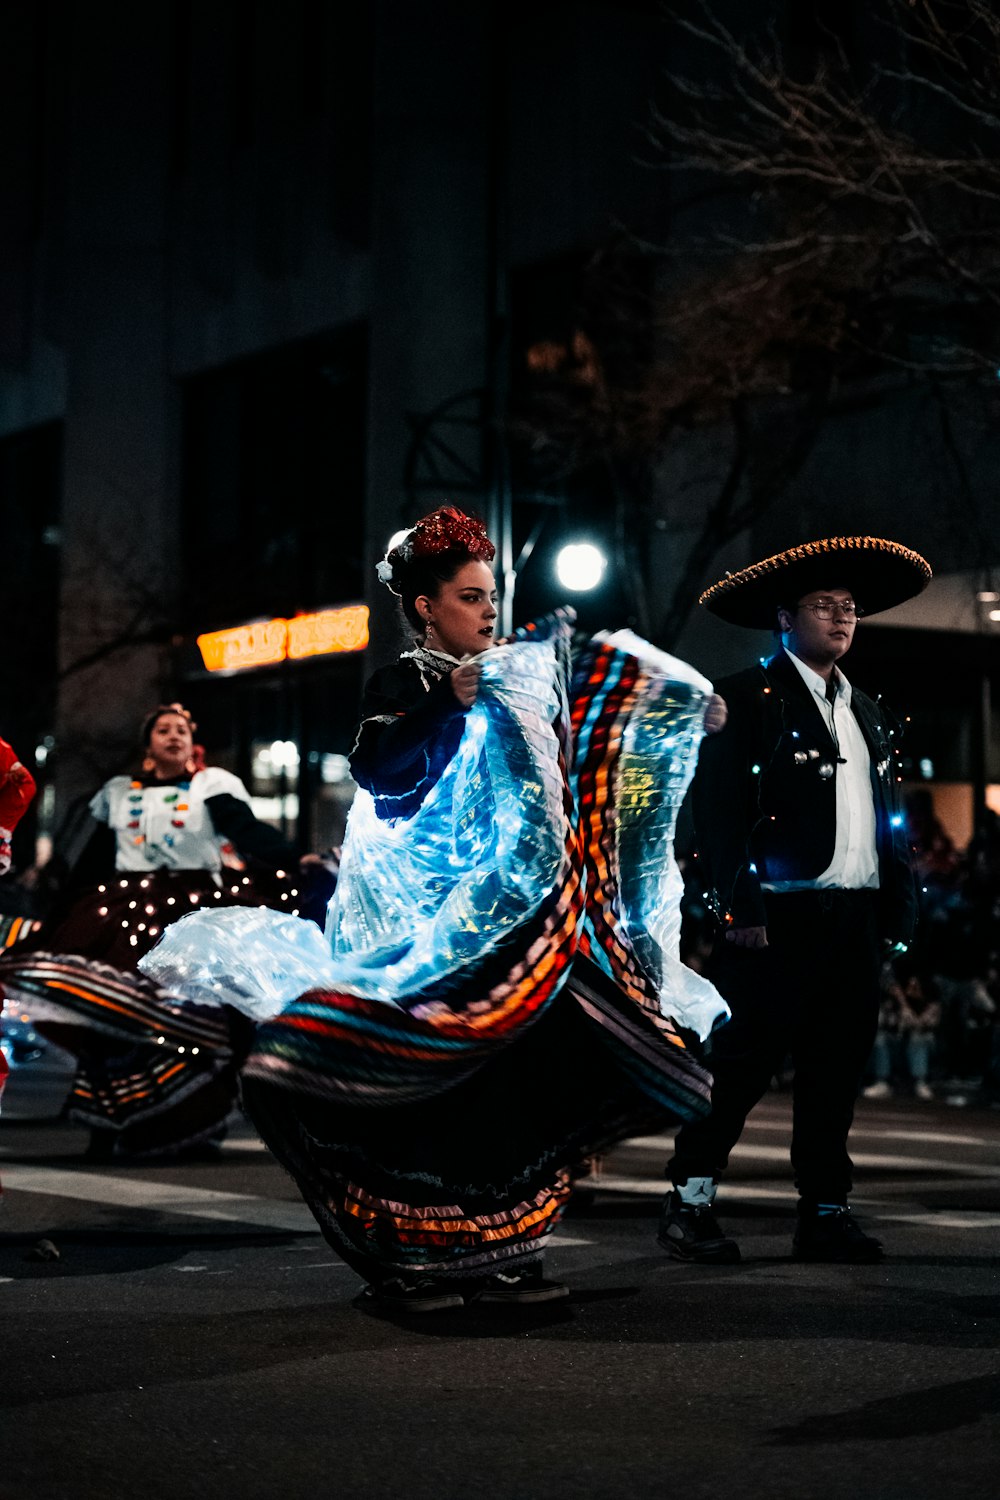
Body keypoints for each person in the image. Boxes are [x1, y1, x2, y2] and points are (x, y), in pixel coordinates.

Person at [144, 505, 729, 1313]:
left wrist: (664, 727)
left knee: (509, 1087)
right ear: (426, 606)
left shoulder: (520, 688)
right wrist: (445, 701)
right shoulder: (407, 683)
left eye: (492, 596)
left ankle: (499, 1252)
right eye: (470, 596)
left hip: (506, 918)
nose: (490, 610)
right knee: (424, 1093)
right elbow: (380, 772)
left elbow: (568, 785)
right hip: (414, 932)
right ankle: (406, 1263)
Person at [659, 535, 930, 1265]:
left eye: (850, 608)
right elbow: (717, 813)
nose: (842, 618)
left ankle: (825, 1209)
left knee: (834, 1072)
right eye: (825, 606)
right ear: (786, 618)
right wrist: (737, 906)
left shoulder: (867, 710)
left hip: (854, 917)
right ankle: (689, 1199)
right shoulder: (746, 698)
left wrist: (897, 912)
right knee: (740, 1066)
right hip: (775, 918)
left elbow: (888, 817)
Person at [0, 704, 300, 1158]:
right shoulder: (118, 794)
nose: (174, 736)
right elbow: (93, 862)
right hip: (124, 909)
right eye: (163, 730)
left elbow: (248, 832)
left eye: (182, 729)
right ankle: (112, 1121)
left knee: (198, 1015)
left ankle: (194, 1124)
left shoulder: (211, 787)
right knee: (114, 1017)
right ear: (149, 745)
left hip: (195, 907)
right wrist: (62, 917)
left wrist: (297, 861)